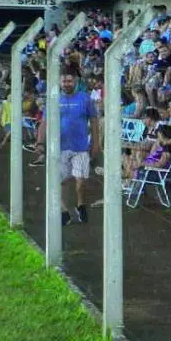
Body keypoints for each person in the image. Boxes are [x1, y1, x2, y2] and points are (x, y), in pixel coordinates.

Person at [41, 70, 101, 225]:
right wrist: (39, 142)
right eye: (64, 81)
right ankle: (64, 212)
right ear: (60, 82)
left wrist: (96, 143)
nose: (66, 84)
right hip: (60, 148)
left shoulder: (85, 99)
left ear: (75, 82)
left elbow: (94, 122)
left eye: (69, 81)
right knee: (55, 182)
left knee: (81, 182)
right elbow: (44, 122)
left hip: (80, 147)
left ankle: (81, 205)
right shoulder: (54, 100)